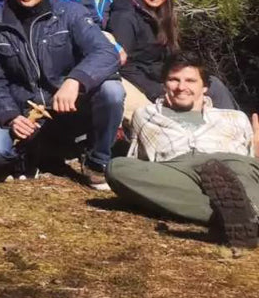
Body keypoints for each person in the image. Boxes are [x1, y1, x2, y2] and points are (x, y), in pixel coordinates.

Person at [0, 0, 124, 189]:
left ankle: (97, 162)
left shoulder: (71, 13)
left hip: (69, 104)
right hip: (25, 108)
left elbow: (105, 52)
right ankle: (36, 153)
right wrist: (11, 117)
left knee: (112, 91)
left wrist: (76, 80)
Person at [106, 52, 259, 249]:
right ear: (164, 84)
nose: (181, 87)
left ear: (204, 87)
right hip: (178, 169)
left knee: (239, 175)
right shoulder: (146, 115)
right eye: (173, 80)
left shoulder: (234, 117)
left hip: (230, 164)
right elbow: (138, 158)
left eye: (190, 81)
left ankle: (240, 216)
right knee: (117, 168)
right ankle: (242, 216)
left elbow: (249, 162)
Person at [107, 0, 238, 119]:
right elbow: (123, 65)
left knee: (212, 84)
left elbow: (172, 55)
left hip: (162, 74)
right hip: (141, 80)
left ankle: (238, 131)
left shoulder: (161, 13)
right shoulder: (125, 17)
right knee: (186, 99)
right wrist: (157, 90)